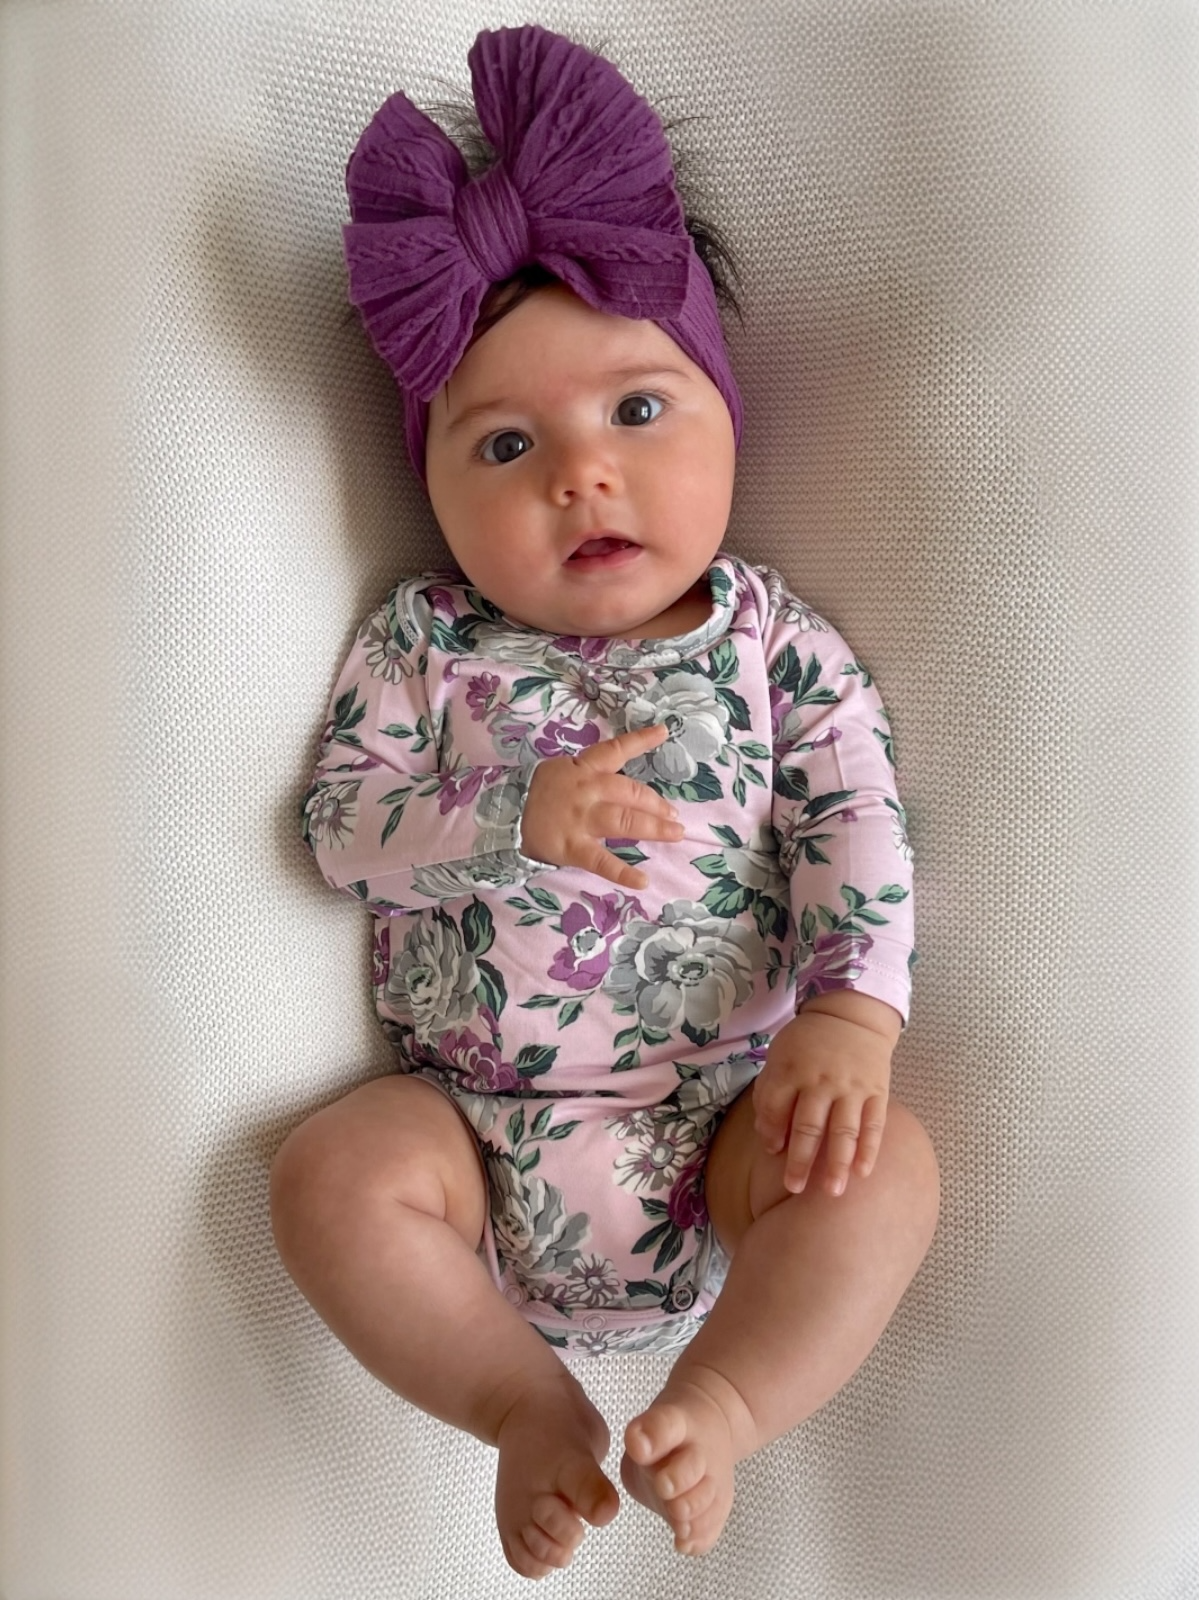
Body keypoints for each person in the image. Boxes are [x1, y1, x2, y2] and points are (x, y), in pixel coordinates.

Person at [270, 23, 940, 1579]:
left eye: (637, 412)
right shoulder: (426, 644)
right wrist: (506, 813)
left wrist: (854, 1018)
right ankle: (520, 1404)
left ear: (724, 411)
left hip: (725, 1130)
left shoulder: (773, 645)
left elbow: (853, 826)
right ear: (429, 484)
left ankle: (729, 1395)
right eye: (507, 444)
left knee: (882, 1165)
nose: (582, 473)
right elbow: (339, 832)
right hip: (468, 1133)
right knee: (331, 1174)